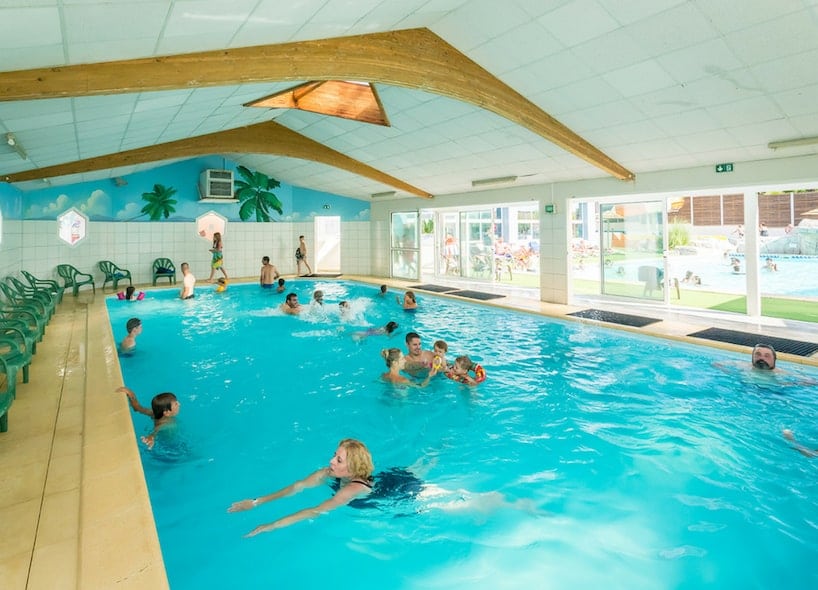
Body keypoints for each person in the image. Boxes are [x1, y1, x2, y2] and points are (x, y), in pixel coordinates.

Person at [228, 438, 375, 535]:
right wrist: (256, 502)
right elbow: (298, 486)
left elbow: (316, 511)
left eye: (339, 460)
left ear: (352, 469)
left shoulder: (351, 490)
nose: (331, 461)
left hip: (380, 500)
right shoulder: (329, 472)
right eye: (334, 455)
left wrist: (272, 526)